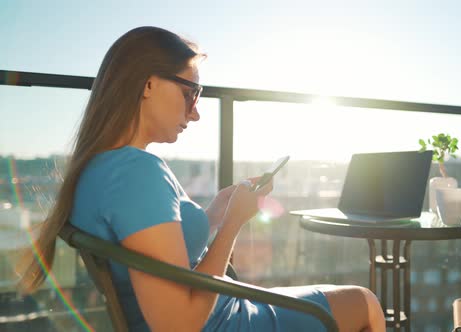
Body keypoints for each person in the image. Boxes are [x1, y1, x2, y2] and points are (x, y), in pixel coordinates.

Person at [17, 26, 385, 332]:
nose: (195, 114)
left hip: (226, 309)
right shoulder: (137, 173)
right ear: (147, 84)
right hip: (225, 322)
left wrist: (214, 215)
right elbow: (179, 324)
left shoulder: (100, 168)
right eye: (190, 93)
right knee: (365, 303)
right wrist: (233, 226)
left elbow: (157, 253)